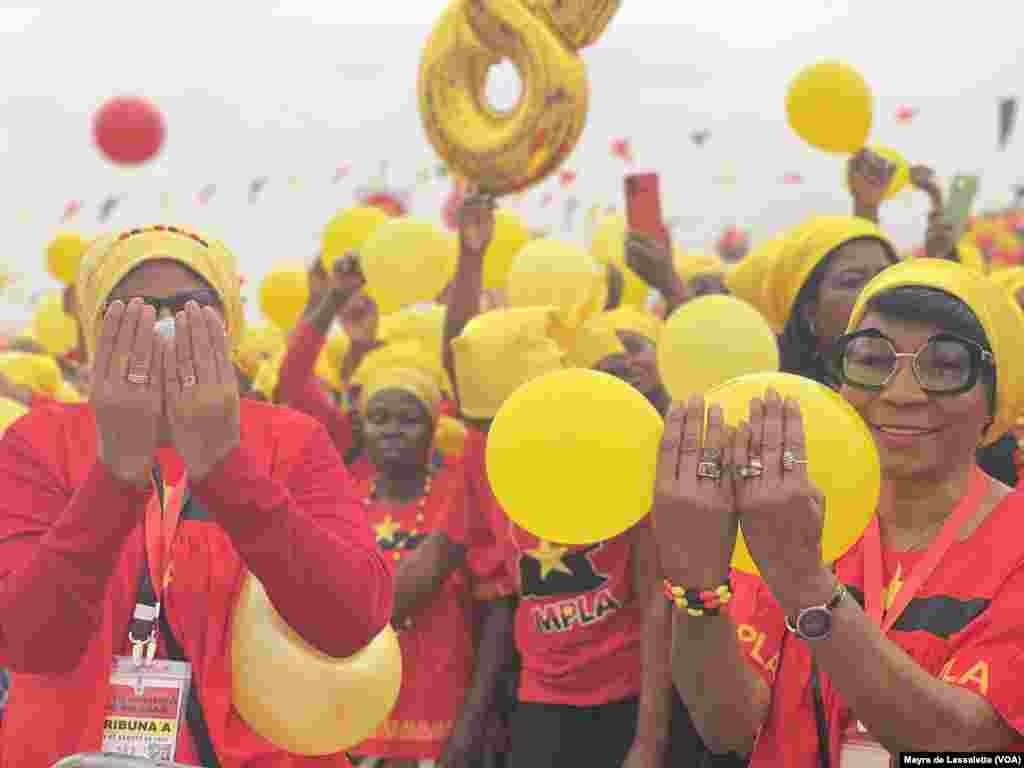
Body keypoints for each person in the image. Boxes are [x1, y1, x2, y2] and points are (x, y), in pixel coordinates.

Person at [0, 225, 392, 767]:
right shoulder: (39, 441)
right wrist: (116, 473)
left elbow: (351, 623)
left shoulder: (290, 439)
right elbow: (29, 642)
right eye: (135, 307)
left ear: (226, 321)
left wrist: (224, 467)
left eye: (190, 306)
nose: (164, 325)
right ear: (97, 327)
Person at [654, 259, 1024, 765]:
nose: (900, 393)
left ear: (994, 398)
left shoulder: (1016, 543)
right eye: (873, 360)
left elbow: (962, 742)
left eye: (943, 366)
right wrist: (697, 590)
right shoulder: (795, 510)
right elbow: (732, 728)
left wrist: (806, 586)